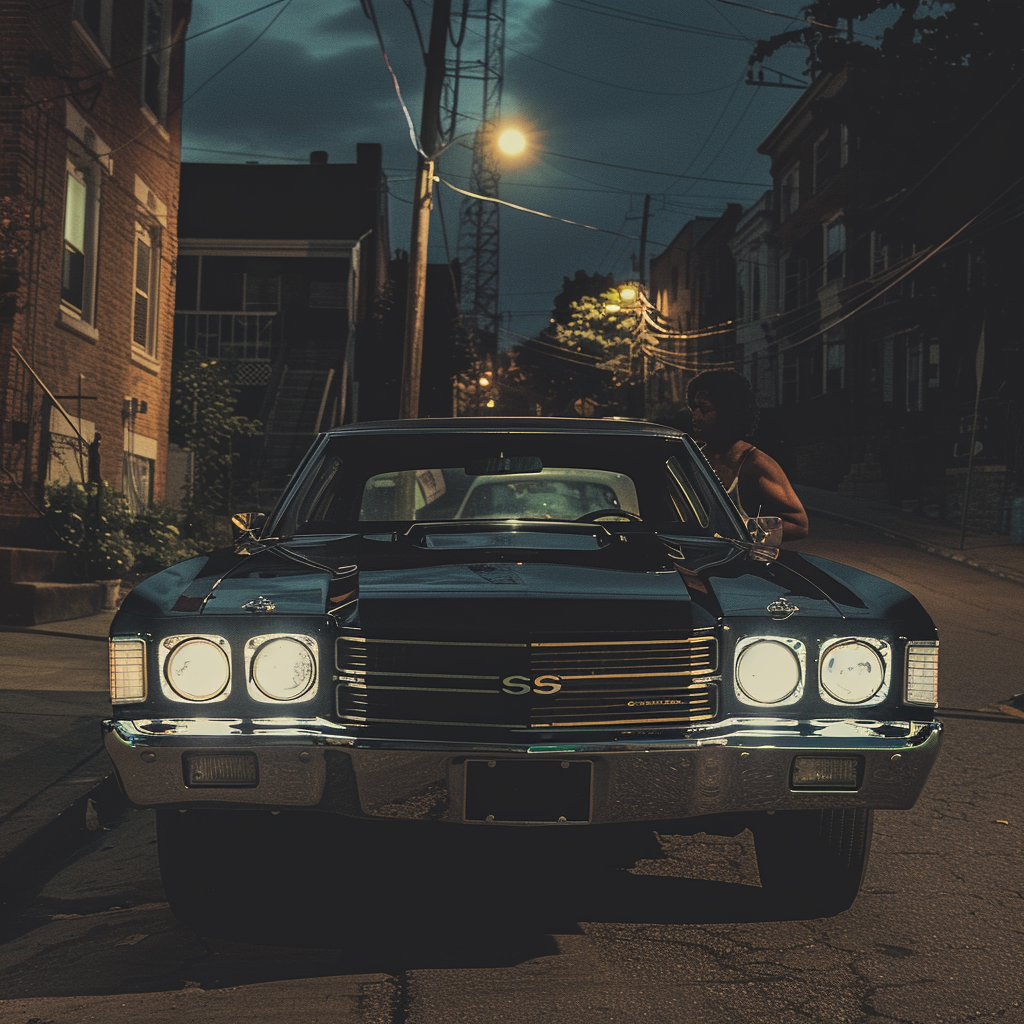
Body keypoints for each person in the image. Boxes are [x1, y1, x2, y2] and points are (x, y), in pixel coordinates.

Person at [686, 369, 809, 542]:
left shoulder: (756, 464)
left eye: (705, 409)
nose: (696, 415)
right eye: (694, 407)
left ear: (728, 412)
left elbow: (799, 525)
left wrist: (744, 530)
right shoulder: (692, 457)